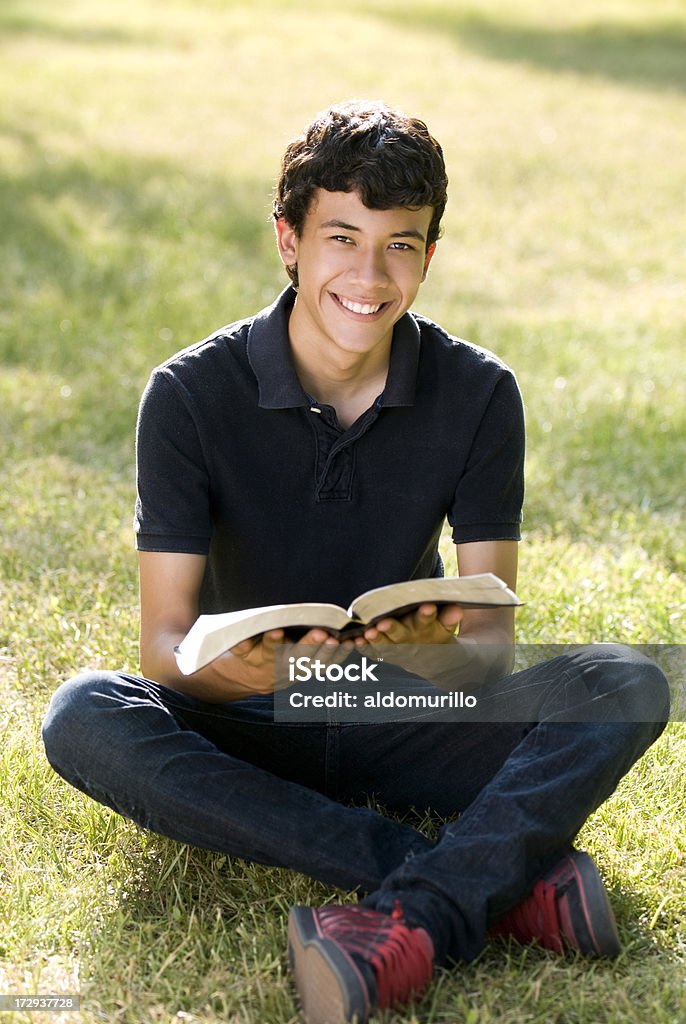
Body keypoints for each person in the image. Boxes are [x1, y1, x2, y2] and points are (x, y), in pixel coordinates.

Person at [42, 100, 669, 1024]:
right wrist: (228, 673)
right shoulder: (186, 394)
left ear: (428, 252)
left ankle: (411, 918)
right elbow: (164, 644)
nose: (370, 276)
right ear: (289, 240)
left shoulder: (482, 393)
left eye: (402, 245)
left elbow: (489, 632)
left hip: (401, 708)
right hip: (246, 718)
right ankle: (483, 888)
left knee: (625, 681)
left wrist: (430, 653)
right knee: (83, 715)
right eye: (342, 236)